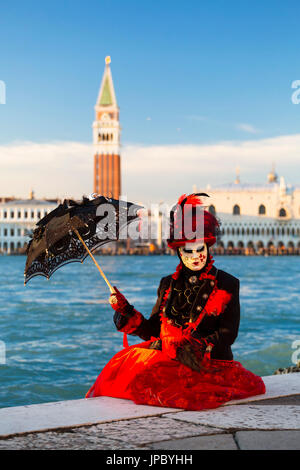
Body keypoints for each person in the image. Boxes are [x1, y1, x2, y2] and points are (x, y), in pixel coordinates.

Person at [86, 193, 265, 410]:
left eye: (200, 249)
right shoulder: (167, 284)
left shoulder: (227, 283)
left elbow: (229, 333)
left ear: (208, 246)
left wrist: (193, 346)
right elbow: (152, 330)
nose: (195, 256)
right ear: (179, 252)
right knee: (127, 375)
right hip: (168, 359)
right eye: (187, 251)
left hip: (209, 364)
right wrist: (126, 310)